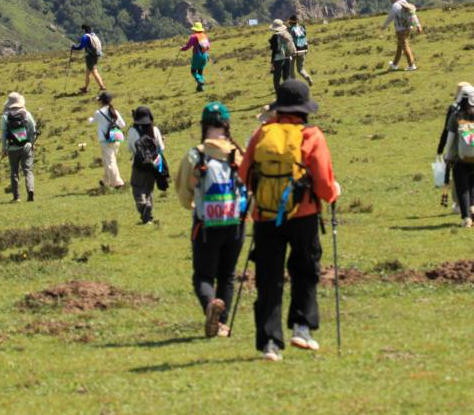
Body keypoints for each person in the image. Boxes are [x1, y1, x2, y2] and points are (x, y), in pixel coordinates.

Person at [238, 80, 339, 362]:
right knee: (305, 271)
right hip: (303, 214)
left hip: (265, 216)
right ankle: (301, 328)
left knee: (268, 278)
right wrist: (332, 194)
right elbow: (323, 182)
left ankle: (270, 343)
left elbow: (244, 175)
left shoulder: (262, 134)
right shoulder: (312, 136)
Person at [175, 102, 245, 338]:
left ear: (203, 125)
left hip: (206, 225)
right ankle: (222, 325)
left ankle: (209, 306)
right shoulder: (237, 153)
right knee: (228, 274)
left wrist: (194, 206)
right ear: (226, 125)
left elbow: (184, 193)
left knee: (204, 275)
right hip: (235, 223)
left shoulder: (196, 155)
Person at [438, 82, 474, 227]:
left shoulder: (455, 116)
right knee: (473, 181)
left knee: (462, 186)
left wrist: (447, 156)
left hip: (459, 159)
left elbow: (450, 140)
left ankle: (466, 218)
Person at [127, 106, 167, 224]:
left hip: (139, 164)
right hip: (154, 163)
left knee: (137, 188)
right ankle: (148, 213)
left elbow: (130, 148)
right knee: (149, 189)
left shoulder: (132, 131)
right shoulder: (154, 129)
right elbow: (161, 147)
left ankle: (144, 207)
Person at [1, 92, 37, 203]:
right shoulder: (26, 114)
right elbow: (33, 130)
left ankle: (16, 197)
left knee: (14, 172)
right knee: (28, 170)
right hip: (26, 145)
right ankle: (30, 190)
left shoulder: (5, 117)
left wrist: (4, 148)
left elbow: (3, 134)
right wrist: (32, 143)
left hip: (12, 148)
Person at [91, 91, 126, 190]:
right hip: (116, 137)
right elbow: (122, 124)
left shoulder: (98, 113)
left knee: (110, 161)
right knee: (110, 160)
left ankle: (118, 183)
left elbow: (92, 121)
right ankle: (105, 181)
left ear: (101, 101)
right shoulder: (114, 111)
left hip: (105, 140)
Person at [382, 0, 422, 71]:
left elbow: (391, 16)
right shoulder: (405, 3)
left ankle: (411, 65)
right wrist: (418, 25)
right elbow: (413, 15)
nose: (390, 0)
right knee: (399, 47)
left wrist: (384, 26)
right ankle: (394, 65)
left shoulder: (396, 5)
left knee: (405, 46)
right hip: (408, 28)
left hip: (400, 29)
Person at [70, 24, 106, 94]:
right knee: (87, 73)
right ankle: (85, 88)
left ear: (84, 30)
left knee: (94, 71)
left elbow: (80, 47)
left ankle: (102, 86)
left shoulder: (85, 37)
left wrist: (74, 47)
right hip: (96, 54)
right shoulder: (93, 35)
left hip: (90, 56)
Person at [180, 22, 211, 93]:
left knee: (193, 71)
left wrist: (182, 49)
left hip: (197, 56)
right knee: (200, 71)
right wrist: (208, 56)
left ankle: (200, 81)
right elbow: (207, 46)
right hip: (205, 56)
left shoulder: (193, 37)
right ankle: (200, 88)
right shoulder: (205, 36)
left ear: (195, 29)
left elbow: (188, 46)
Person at [268, 19, 296, 94]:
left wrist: (272, 63)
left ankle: (279, 95)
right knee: (286, 77)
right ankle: (289, 92)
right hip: (288, 57)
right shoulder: (287, 34)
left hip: (278, 59)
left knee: (276, 78)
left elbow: (274, 50)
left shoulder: (275, 36)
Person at [286, 15, 313, 86]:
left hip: (294, 50)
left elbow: (289, 40)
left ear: (290, 22)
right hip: (303, 49)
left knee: (291, 70)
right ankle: (308, 77)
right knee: (300, 69)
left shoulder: (290, 29)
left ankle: (295, 85)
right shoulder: (301, 28)